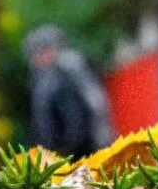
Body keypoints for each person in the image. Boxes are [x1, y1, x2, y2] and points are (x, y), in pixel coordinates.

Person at [22, 24, 115, 157]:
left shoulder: (61, 74)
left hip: (82, 152)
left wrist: (64, 152)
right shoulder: (48, 76)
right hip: (82, 148)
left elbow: (74, 121)